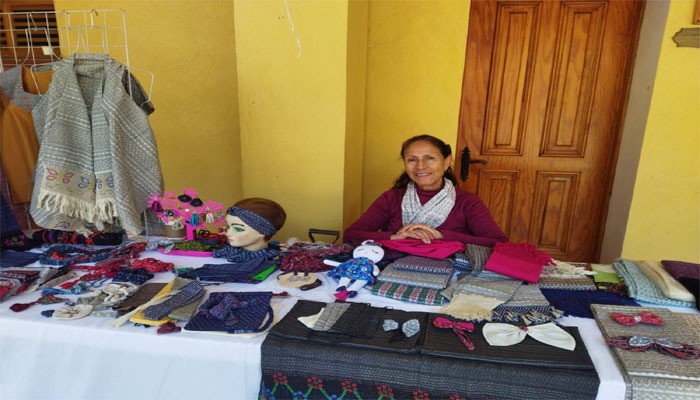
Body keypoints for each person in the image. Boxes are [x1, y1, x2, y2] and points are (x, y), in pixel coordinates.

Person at [344, 134, 507, 247]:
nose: (420, 166)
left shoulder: (467, 202)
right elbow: (351, 235)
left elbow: (498, 242)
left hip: (450, 273)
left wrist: (441, 236)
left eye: (430, 158)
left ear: (446, 161)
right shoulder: (392, 198)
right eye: (412, 160)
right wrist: (395, 236)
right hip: (394, 269)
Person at [213, 197, 286, 261]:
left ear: (263, 231)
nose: (228, 233)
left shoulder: (275, 261)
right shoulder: (224, 252)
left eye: (238, 229)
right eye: (228, 226)